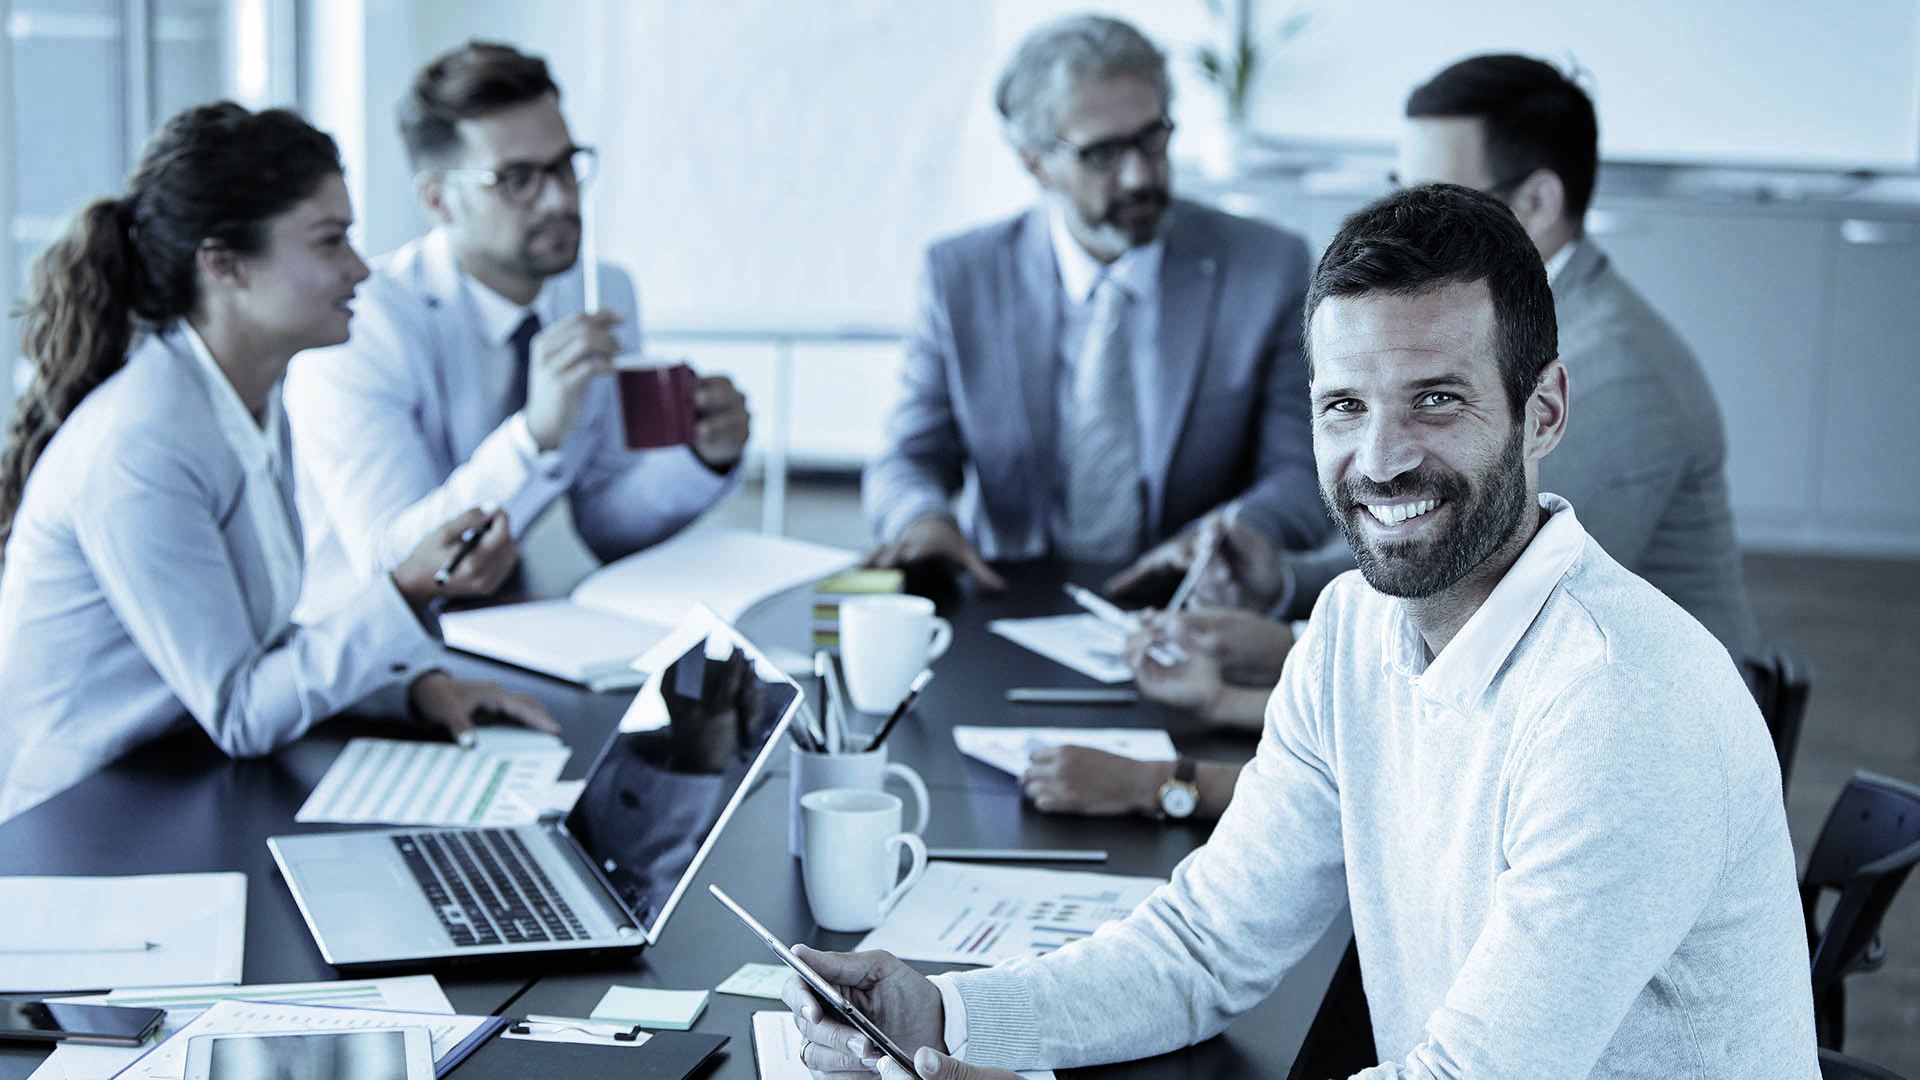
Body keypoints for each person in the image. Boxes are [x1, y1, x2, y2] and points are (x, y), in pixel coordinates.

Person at [784, 184, 1818, 1079]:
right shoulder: (1352, 630)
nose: (1379, 458)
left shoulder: (1621, 703)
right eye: (1344, 407)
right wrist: (951, 1013)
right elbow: (1206, 945)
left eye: (1436, 401)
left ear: (1543, 411)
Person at [1040, 52, 1768, 817]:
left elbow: (1476, 644)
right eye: (1401, 190)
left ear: (1540, 200)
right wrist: (1283, 587)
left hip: (1636, 778)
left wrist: (1177, 765)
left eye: (1439, 193)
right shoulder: (1518, 328)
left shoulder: (1614, 375)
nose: (1414, 218)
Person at [0, 103, 551, 822]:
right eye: (331, 241)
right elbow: (239, 709)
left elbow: (256, 645)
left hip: (180, 781)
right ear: (223, 264)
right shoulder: (142, 444)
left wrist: (409, 689)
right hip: (82, 829)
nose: (360, 267)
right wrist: (405, 590)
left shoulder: (249, 399)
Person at [861, 14, 1328, 592]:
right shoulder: (963, 275)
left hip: (1192, 602)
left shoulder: (1265, 267)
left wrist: (1231, 535)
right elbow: (908, 458)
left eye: (1152, 138)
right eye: (1103, 154)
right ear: (1035, 163)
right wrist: (922, 519)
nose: (1139, 175)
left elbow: (1302, 470)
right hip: (1007, 596)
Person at [284, 41, 750, 612]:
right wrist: (534, 437)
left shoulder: (600, 292)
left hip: (503, 626)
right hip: (364, 652)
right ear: (438, 200)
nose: (558, 199)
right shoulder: (359, 319)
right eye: (516, 179)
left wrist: (702, 459)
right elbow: (394, 561)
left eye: (564, 166)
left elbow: (606, 523)